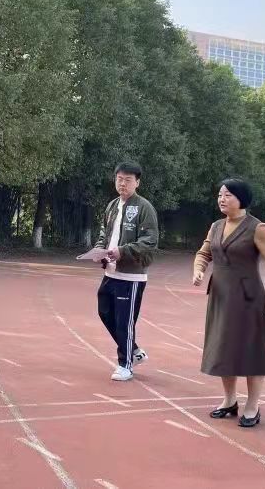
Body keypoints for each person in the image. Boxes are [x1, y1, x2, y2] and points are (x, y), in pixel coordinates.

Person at [193, 178, 265, 428]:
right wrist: (199, 269)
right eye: (220, 195)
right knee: (223, 348)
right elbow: (204, 253)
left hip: (248, 298)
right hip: (220, 297)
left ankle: (252, 405)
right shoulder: (216, 226)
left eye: (228, 195)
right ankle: (229, 400)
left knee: (251, 349)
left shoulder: (257, 228)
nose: (222, 199)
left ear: (242, 199)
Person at [78, 162, 158, 382]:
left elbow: (150, 241)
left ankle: (125, 365)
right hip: (111, 272)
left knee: (125, 322)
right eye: (119, 179)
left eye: (128, 180)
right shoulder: (112, 205)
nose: (123, 183)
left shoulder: (144, 207)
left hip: (131, 276)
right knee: (105, 312)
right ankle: (134, 351)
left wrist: (123, 251)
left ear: (137, 182)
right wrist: (99, 251)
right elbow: (104, 234)